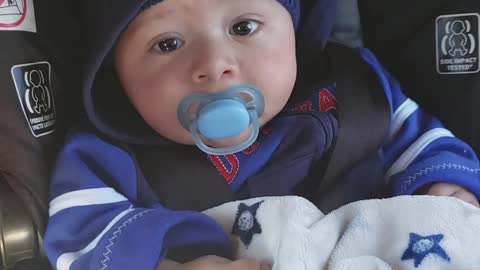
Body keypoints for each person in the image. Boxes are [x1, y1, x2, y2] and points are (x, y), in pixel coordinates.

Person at [44, 0, 480, 269]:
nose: (215, 64)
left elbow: (422, 142)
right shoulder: (107, 153)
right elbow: (80, 238)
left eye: (243, 27)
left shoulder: (355, 92)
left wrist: (445, 186)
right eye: (168, 44)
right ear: (113, 71)